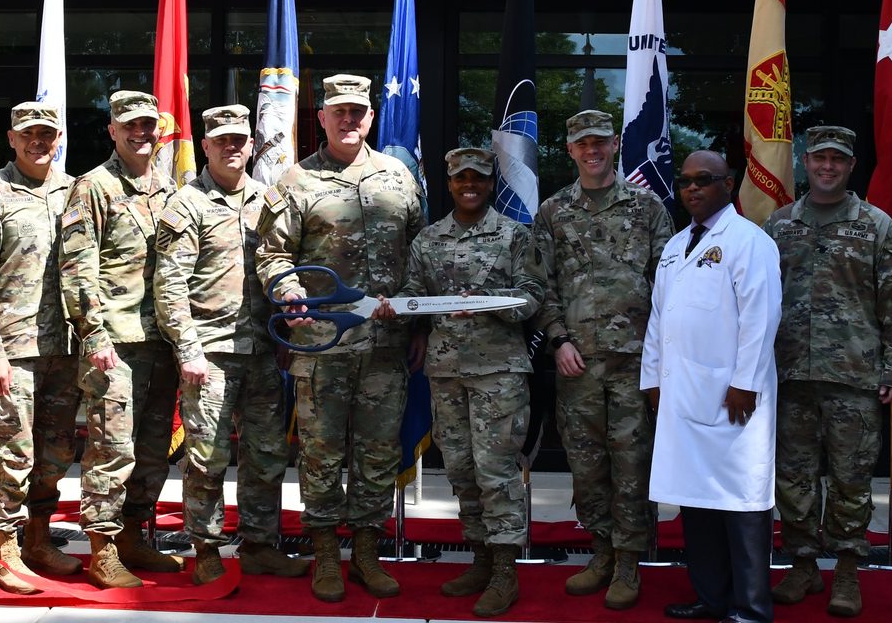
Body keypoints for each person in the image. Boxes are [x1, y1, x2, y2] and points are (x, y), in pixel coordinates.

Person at [255, 74, 424, 603]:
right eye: (339, 111)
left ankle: (367, 555)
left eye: (358, 111)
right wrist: (291, 292)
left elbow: (421, 253)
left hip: (386, 346)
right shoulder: (295, 181)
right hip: (322, 345)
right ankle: (326, 554)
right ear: (322, 117)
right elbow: (272, 254)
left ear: (370, 117)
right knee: (322, 452)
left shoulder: (399, 176)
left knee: (376, 452)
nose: (349, 120)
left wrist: (417, 319)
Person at [375, 147, 544, 617]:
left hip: (498, 373)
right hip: (447, 373)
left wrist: (491, 301)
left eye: (478, 177)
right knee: (462, 471)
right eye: (460, 178)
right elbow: (415, 294)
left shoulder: (514, 235)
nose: (469, 184)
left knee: (497, 473)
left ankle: (507, 574)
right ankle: (482, 559)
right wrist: (396, 306)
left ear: (491, 183)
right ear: (448, 183)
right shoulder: (428, 240)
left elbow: (533, 297)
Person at [762, 126, 892, 617]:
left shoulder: (876, 225)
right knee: (793, 478)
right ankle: (804, 564)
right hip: (790, 378)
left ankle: (847, 571)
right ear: (806, 162)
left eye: (838, 160)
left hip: (856, 376)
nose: (828, 166)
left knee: (850, 480)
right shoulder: (779, 225)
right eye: (820, 158)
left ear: (851, 167)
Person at [155, 103, 308, 586]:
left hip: (263, 351)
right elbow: (170, 285)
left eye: (240, 139)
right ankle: (206, 548)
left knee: (266, 456)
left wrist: (287, 333)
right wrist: (188, 351)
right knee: (207, 459)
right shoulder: (187, 203)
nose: (232, 147)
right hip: (211, 354)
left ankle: (261, 546)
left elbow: (283, 269)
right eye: (222, 139)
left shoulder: (268, 200)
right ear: (205, 146)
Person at [532, 109, 673, 610]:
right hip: (578, 363)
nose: (591, 151)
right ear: (570, 150)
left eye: (600, 143)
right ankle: (600, 552)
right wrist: (557, 340)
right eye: (581, 144)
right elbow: (538, 285)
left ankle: (630, 560)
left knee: (633, 464)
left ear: (615, 145)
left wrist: (659, 355)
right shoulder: (553, 211)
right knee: (588, 465)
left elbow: (669, 286)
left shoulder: (647, 207)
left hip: (636, 362)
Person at [643, 150, 782, 623]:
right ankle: (711, 596)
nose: (693, 188)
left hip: (733, 402)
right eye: (685, 181)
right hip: (682, 398)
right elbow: (659, 319)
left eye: (704, 179)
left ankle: (749, 607)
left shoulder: (749, 241)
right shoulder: (675, 244)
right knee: (696, 502)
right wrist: (652, 378)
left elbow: (761, 320)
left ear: (729, 183)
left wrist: (744, 384)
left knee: (741, 502)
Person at [0, 102, 81, 594]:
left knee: (57, 452)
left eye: (47, 134)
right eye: (29, 134)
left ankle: (38, 537)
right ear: (11, 138)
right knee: (12, 454)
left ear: (59, 137)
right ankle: (4, 549)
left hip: (64, 348)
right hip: (14, 350)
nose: (38, 142)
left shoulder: (73, 192)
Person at [59, 90, 178, 589]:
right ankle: (103, 548)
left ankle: (133, 536)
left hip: (162, 340)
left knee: (152, 448)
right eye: (130, 125)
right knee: (112, 448)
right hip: (116, 341)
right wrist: (92, 333)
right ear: (112, 130)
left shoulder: (171, 188)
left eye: (148, 125)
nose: (140, 133)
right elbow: (76, 266)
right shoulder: (94, 187)